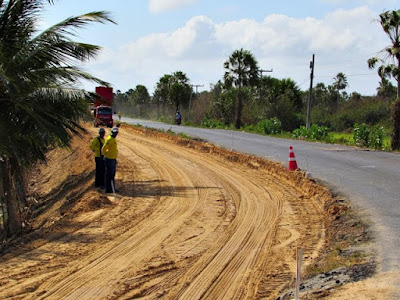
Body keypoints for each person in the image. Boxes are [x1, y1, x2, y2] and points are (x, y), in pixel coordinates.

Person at [102, 126, 119, 193]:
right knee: (109, 175)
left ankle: (112, 188)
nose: (115, 134)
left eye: (116, 133)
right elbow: (103, 149)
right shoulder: (109, 139)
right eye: (114, 132)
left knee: (112, 174)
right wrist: (107, 155)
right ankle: (108, 189)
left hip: (113, 159)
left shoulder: (114, 139)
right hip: (109, 159)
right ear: (112, 132)